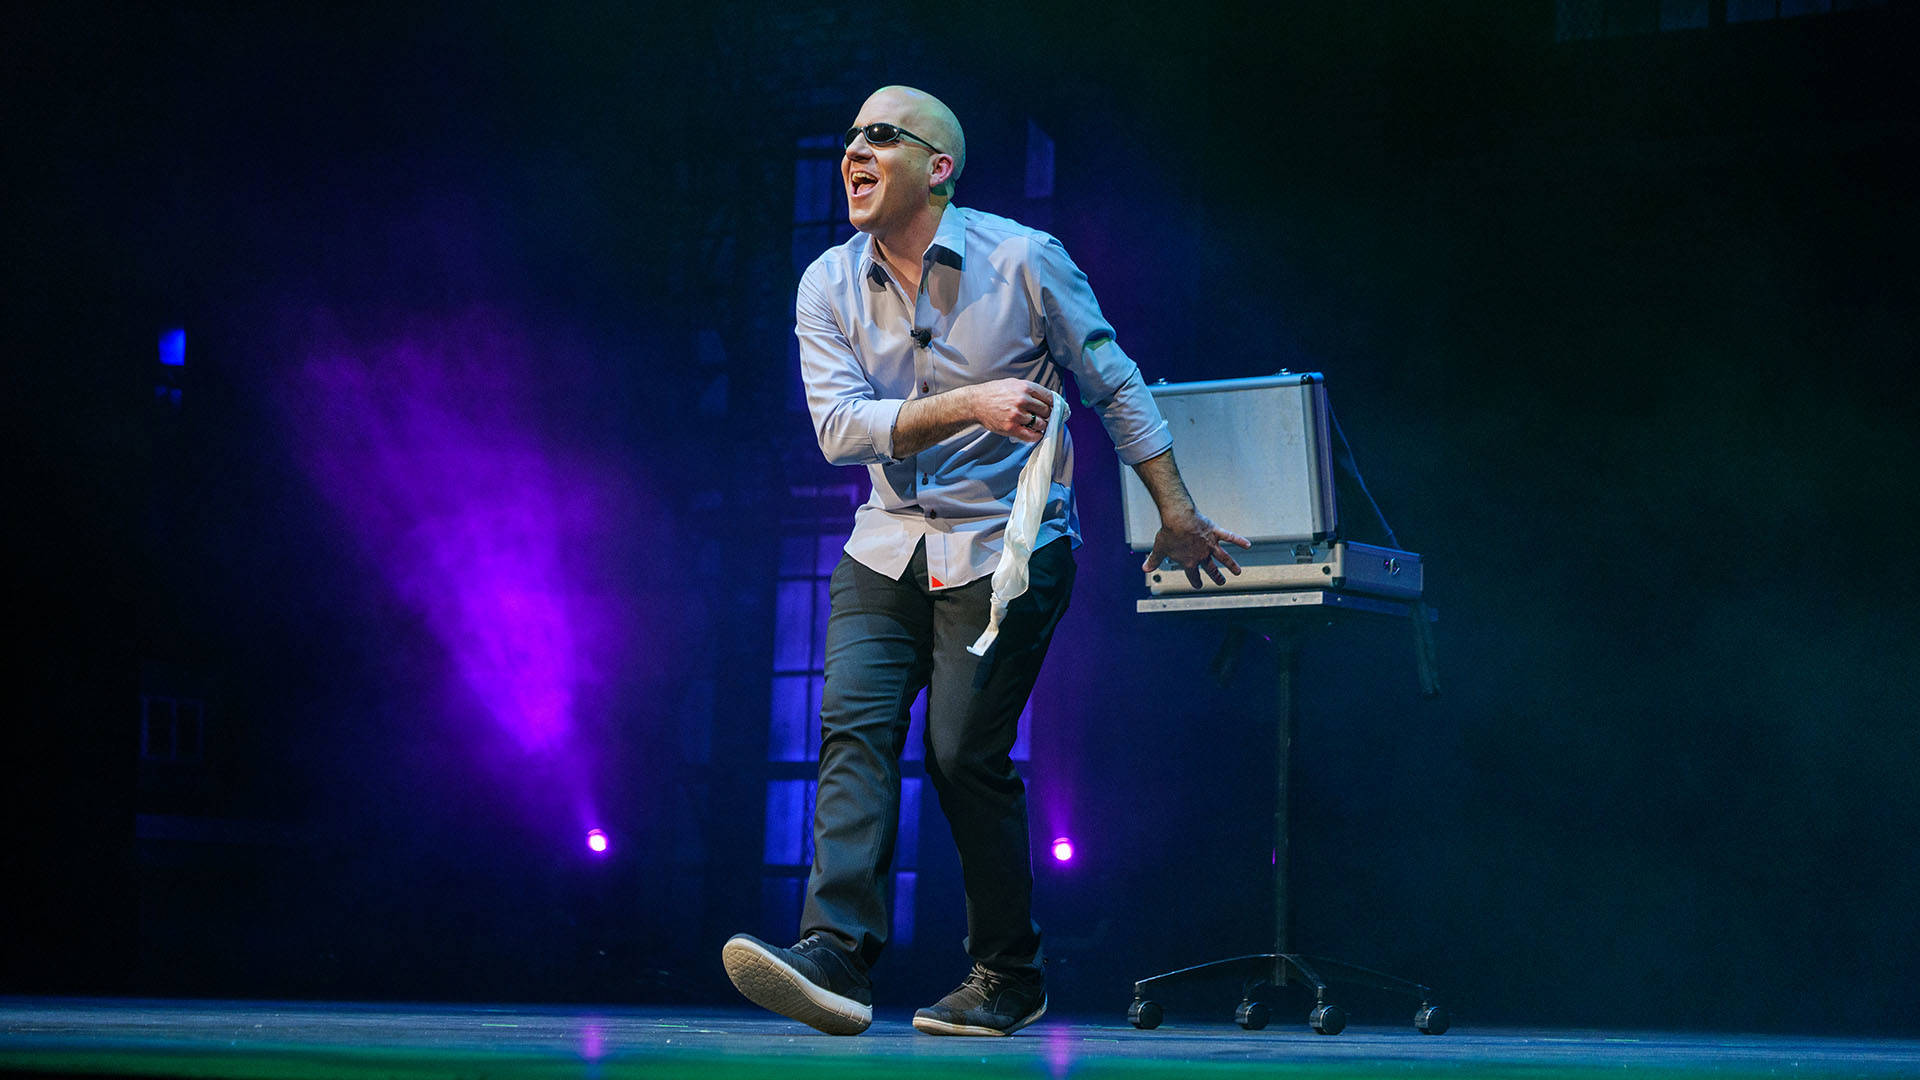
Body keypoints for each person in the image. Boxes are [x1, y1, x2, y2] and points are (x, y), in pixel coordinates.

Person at [722, 85, 1249, 1038]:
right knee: (854, 730)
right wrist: (971, 403)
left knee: (964, 755)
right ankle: (835, 955)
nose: (854, 151)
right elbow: (841, 433)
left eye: (879, 136)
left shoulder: (1024, 260)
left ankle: (1008, 974)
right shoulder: (826, 284)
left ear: (939, 167)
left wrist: (1175, 510)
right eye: (847, 139)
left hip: (1007, 545)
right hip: (886, 542)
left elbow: (1114, 383)